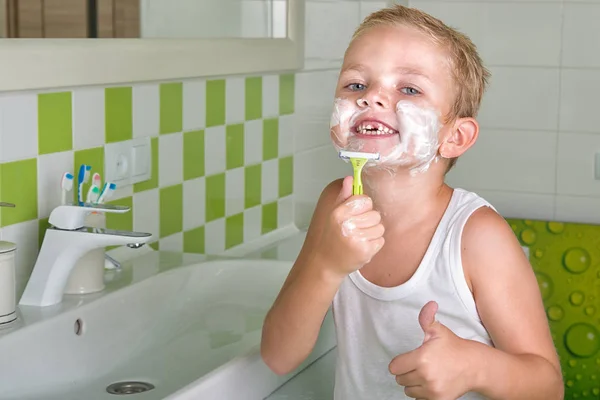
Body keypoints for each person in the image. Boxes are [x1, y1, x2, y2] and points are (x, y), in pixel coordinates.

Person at [261, 4, 563, 399]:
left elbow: (548, 387)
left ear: (453, 137)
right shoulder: (336, 207)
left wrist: (474, 366)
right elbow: (278, 356)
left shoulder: (476, 236)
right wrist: (326, 265)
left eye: (408, 89)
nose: (371, 98)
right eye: (356, 85)